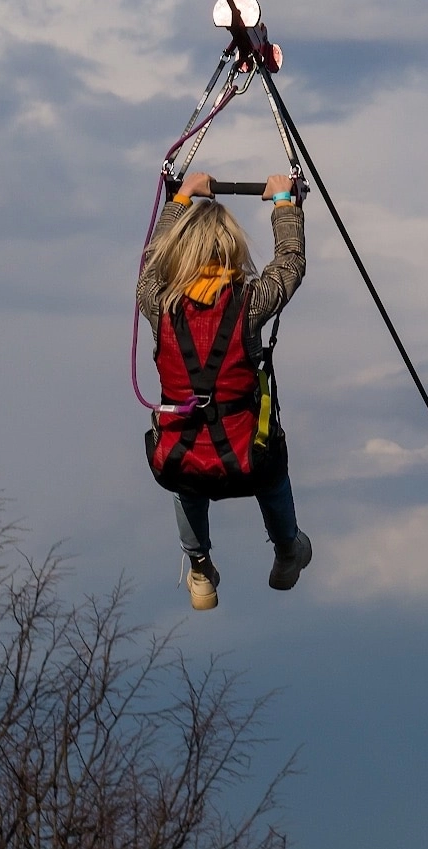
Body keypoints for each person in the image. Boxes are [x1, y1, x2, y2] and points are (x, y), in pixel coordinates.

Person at [138, 171, 312, 610]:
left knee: (185, 479)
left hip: (180, 460)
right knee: (273, 472)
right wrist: (284, 203)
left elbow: (151, 264)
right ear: (231, 249)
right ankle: (287, 549)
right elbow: (290, 263)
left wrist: (179, 198)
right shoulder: (250, 304)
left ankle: (199, 568)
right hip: (248, 460)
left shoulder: (158, 305)